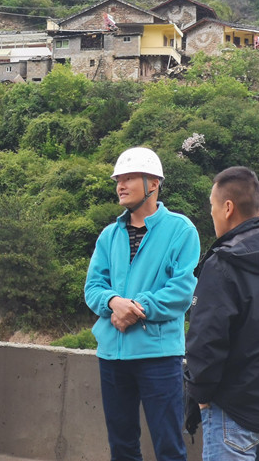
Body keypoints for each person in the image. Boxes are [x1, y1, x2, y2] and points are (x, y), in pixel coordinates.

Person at [84, 147, 200, 461]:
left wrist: (135, 308)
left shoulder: (180, 230)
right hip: (112, 354)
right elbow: (93, 287)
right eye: (118, 180)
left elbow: (182, 290)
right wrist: (113, 302)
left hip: (158, 355)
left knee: (169, 446)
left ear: (154, 183)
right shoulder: (109, 235)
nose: (120, 185)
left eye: (129, 178)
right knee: (121, 446)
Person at [184, 167, 259, 460]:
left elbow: (206, 341)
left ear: (227, 208)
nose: (212, 214)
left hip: (234, 414)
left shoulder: (223, 263)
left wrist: (200, 396)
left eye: (212, 206)